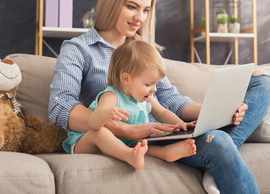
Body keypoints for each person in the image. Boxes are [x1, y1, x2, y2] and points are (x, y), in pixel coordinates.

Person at [49, 0, 270, 194]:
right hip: (131, 136)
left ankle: (216, 165)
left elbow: (170, 101)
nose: (140, 18)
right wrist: (123, 128)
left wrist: (220, 111)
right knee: (220, 142)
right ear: (111, 3)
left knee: (263, 82)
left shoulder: (145, 51)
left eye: (146, 9)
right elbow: (60, 107)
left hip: (159, 130)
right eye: (132, 7)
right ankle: (219, 160)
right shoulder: (78, 49)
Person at [61, 40, 196, 170]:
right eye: (148, 84)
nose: (154, 89)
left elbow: (162, 112)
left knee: (141, 143)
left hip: (123, 142)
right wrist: (103, 114)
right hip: (86, 143)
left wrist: (180, 123)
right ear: (126, 79)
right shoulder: (111, 96)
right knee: (101, 132)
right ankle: (128, 156)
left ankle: (165, 152)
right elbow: (93, 125)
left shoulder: (146, 97)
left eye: (156, 84)